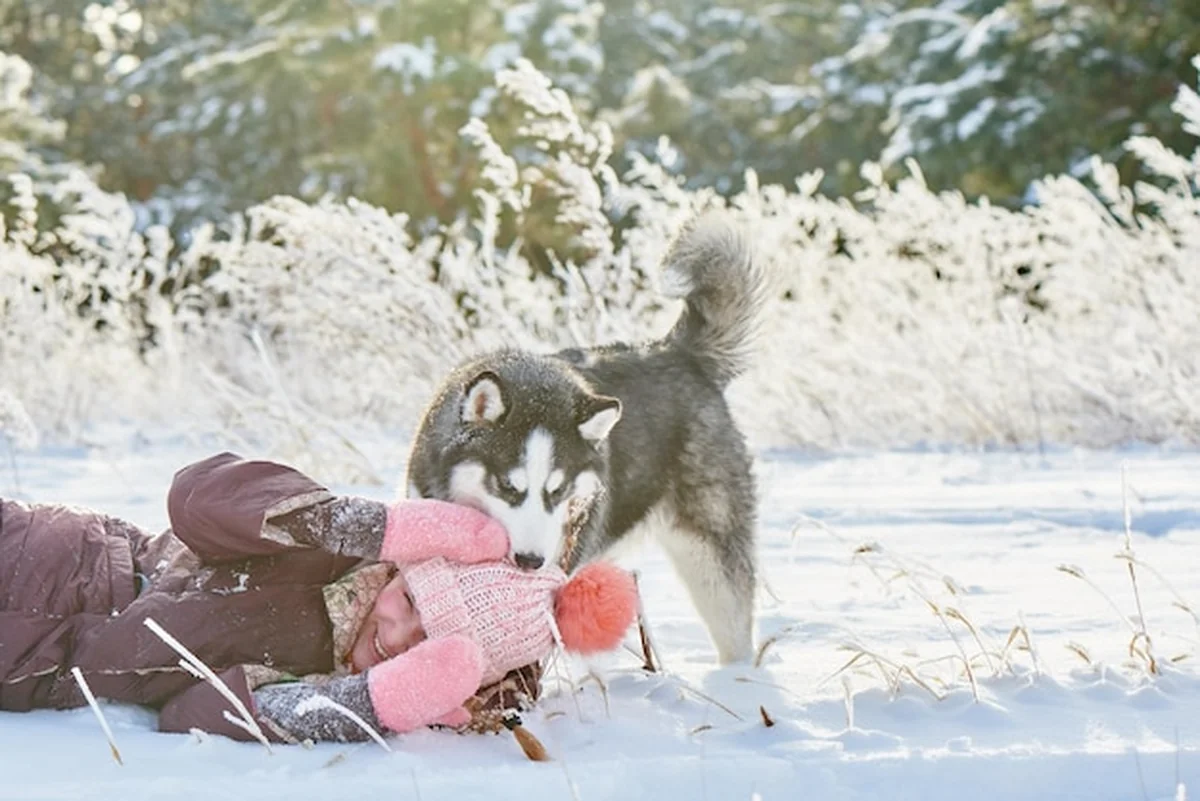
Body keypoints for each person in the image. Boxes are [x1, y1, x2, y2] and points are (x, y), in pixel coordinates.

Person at [0, 451, 636, 745]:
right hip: (58, 555)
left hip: (29, 661)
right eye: (411, 603)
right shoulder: (333, 553)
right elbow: (195, 497)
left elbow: (189, 714)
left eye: (423, 650)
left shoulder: (325, 682)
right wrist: (371, 525)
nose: (395, 637)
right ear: (397, 570)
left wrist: (368, 703)